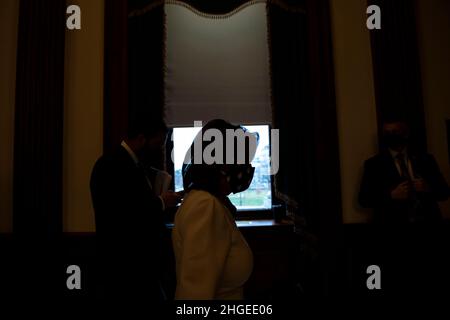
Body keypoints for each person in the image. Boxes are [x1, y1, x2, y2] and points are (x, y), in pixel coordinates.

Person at [90, 118, 182, 300]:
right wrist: (162, 202)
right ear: (142, 139)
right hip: (125, 264)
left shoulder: (128, 164)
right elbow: (124, 213)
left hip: (135, 265)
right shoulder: (112, 165)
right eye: (158, 144)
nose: (160, 150)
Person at [172, 119, 256, 300]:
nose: (247, 168)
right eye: (243, 160)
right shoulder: (205, 206)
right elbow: (194, 296)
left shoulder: (214, 203)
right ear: (222, 163)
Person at [359, 119, 450, 224]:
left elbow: (444, 192)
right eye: (387, 133)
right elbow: (364, 199)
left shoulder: (425, 159)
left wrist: (428, 187)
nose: (391, 135)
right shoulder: (374, 165)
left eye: (395, 131)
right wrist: (390, 195)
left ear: (405, 134)